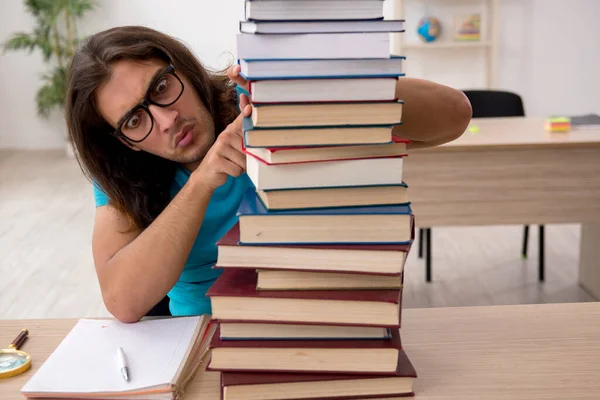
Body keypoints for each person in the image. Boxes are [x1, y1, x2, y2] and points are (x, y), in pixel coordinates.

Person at [65, 25, 472, 323]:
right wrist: (204, 180)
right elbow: (124, 301)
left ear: (183, 70)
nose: (167, 119)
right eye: (136, 121)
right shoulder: (124, 176)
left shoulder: (260, 101)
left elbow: (454, 117)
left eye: (160, 87)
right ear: (124, 142)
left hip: (330, 320)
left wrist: (314, 91)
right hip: (206, 338)